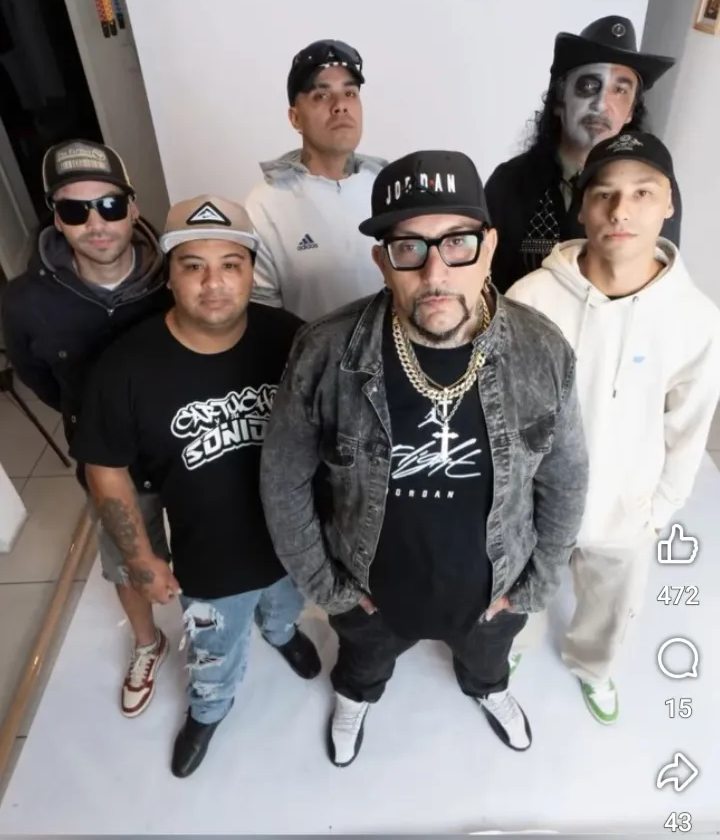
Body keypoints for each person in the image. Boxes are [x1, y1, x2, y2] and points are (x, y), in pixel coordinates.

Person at [260, 150, 589, 767]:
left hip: (494, 592)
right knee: (362, 662)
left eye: (457, 243)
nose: (436, 272)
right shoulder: (325, 352)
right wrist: (329, 590)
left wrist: (535, 587)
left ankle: (487, 688)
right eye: (409, 247)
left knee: (487, 660)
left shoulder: (542, 350)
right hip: (366, 590)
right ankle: (357, 695)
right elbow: (283, 482)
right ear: (383, 261)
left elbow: (566, 479)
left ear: (489, 248)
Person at [70, 195, 321, 777]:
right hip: (208, 559)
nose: (214, 283)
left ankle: (281, 633)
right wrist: (140, 556)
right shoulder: (124, 367)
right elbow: (104, 468)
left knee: (285, 607)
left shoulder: (294, 339)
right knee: (214, 650)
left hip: (291, 542)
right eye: (193, 266)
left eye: (231, 264)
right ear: (170, 275)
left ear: (252, 270)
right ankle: (210, 708)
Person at [506, 131, 720, 724]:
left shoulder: (697, 319)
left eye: (642, 193)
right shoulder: (531, 297)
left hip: (627, 508)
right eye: (604, 194)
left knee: (611, 606)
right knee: (522, 591)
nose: (621, 211)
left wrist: (659, 509)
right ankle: (515, 644)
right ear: (583, 207)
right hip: (535, 505)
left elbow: (689, 425)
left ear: (669, 203)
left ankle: (592, 668)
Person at [1, 139, 172, 718]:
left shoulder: (174, 275)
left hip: (186, 445)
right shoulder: (26, 301)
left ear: (132, 207)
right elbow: (37, 378)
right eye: (75, 210)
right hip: (108, 462)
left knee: (211, 543)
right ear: (56, 218)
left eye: (109, 205)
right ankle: (147, 642)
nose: (96, 223)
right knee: (126, 559)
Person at [485, 15, 677, 293]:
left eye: (620, 90)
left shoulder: (653, 189)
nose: (601, 105)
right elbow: (486, 285)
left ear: (631, 112)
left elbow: (658, 288)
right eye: (588, 86)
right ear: (559, 100)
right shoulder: (508, 183)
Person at [245, 39, 387, 321]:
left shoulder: (389, 189)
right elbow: (263, 320)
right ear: (295, 118)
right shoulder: (264, 206)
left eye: (350, 93)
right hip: (305, 350)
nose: (340, 106)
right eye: (321, 96)